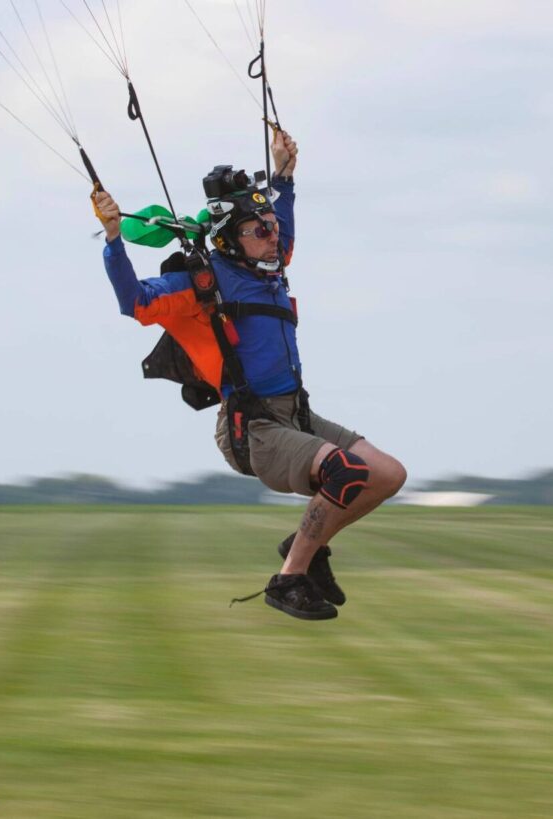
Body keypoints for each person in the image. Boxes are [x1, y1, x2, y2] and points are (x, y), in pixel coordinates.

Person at [92, 131, 406, 621]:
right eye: (259, 230)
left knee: (387, 475)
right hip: (251, 428)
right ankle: (288, 580)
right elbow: (134, 302)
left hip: (295, 415)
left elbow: (284, 221)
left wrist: (283, 174)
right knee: (345, 473)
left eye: (269, 227)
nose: (271, 235)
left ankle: (306, 544)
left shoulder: (270, 267)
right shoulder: (203, 283)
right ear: (227, 239)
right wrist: (114, 238)